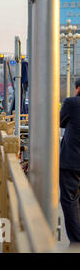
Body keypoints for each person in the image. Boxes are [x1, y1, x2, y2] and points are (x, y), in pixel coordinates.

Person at [59, 78, 80, 245]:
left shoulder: (72, 102)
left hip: (72, 160)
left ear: (78, 89)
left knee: (70, 199)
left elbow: (60, 121)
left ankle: (77, 239)